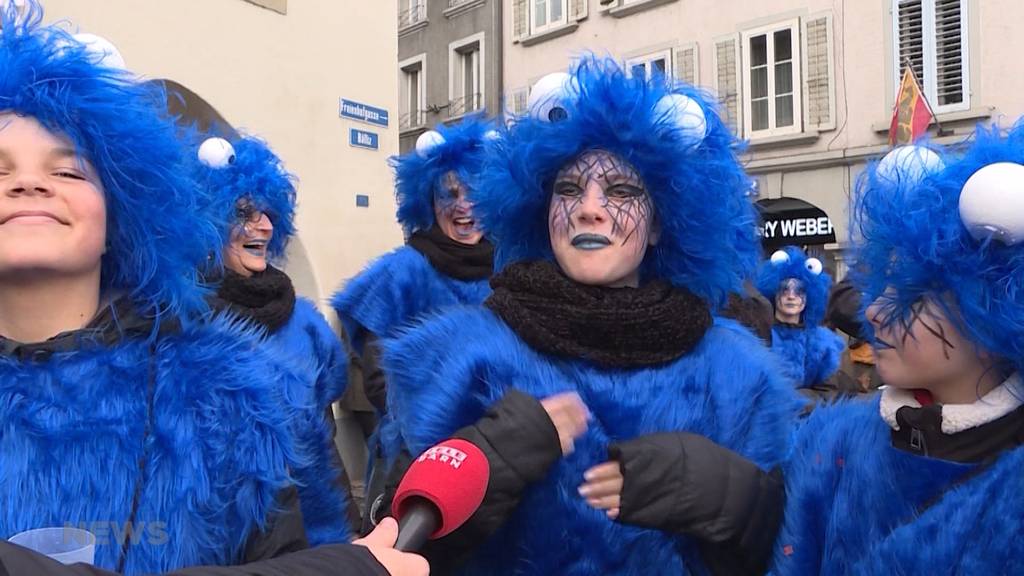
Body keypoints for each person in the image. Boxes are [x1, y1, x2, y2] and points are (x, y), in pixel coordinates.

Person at [0, 3, 424, 574]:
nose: (28, 183)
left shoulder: (226, 391)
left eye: (69, 171)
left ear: (119, 216)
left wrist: (340, 551)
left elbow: (306, 496)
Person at [376, 57, 800, 575]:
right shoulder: (462, 360)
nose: (589, 209)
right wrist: (489, 458)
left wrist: (729, 495)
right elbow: (393, 545)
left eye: (621, 192)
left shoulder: (736, 377)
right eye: (569, 189)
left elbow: (788, 551)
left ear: (662, 225)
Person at [330, 116, 497, 527]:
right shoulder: (401, 273)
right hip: (414, 458)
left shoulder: (508, 268)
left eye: (474, 192)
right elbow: (379, 381)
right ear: (428, 202)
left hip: (496, 452)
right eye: (449, 194)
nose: (463, 205)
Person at [194, 134, 355, 543]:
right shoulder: (182, 323)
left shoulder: (304, 324)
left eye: (268, 213)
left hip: (320, 540)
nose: (263, 226)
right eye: (244, 212)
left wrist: (352, 533)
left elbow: (324, 447)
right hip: (227, 546)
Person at [756, 246, 845, 390]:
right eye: (784, 289)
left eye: (799, 291)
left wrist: (802, 403)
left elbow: (829, 392)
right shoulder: (760, 338)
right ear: (773, 293)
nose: (791, 296)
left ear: (809, 296)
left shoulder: (823, 344)